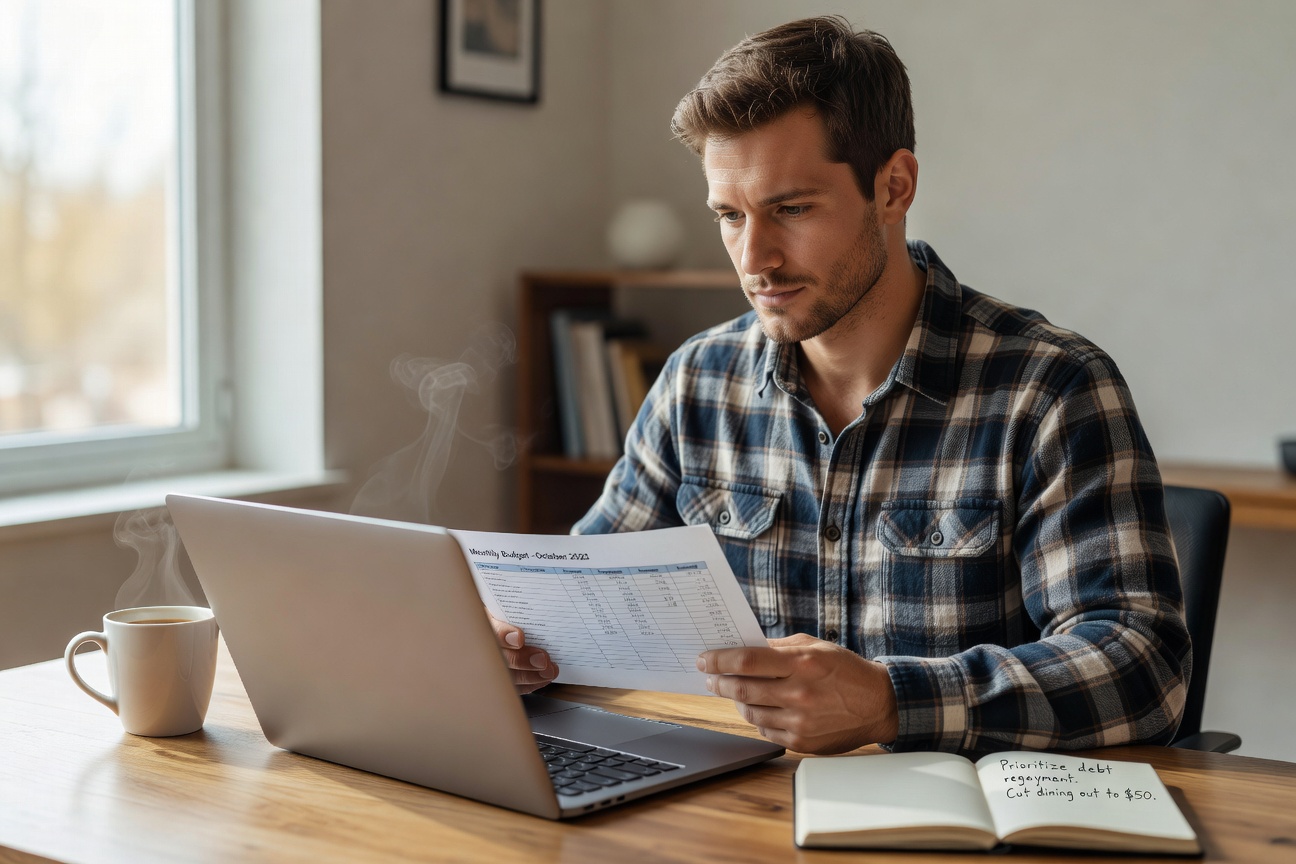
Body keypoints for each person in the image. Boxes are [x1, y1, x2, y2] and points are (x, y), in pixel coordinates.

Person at [493, 15, 1190, 755]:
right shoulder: (696, 383)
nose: (754, 257)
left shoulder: (1050, 389)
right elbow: (584, 597)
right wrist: (519, 642)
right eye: (730, 215)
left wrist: (892, 703)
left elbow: (1143, 668)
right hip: (739, 813)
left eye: (791, 209)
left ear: (893, 187)